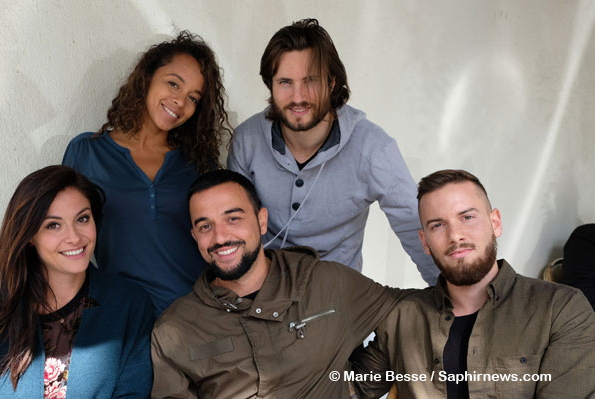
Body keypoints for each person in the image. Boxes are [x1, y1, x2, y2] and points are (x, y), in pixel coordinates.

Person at [0, 31, 231, 315]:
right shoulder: (88, 152)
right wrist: (5, 269)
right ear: (147, 77)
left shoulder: (197, 164)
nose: (180, 102)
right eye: (173, 84)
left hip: (197, 315)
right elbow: (49, 223)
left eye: (193, 98)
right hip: (122, 316)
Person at [150, 169, 412, 398]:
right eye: (206, 226)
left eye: (233, 218)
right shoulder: (175, 328)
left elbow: (411, 309)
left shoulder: (328, 283)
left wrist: (358, 387)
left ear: (261, 220)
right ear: (195, 236)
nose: (220, 237)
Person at [228, 18, 438, 285]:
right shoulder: (247, 139)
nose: (298, 96)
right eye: (285, 82)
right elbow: (233, 229)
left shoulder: (373, 148)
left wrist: (452, 303)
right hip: (262, 293)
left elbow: (415, 228)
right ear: (270, 85)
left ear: (332, 83)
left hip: (336, 299)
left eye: (310, 81)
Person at [351, 169, 595, 398]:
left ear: (495, 223)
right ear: (425, 242)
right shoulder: (402, 316)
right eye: (438, 225)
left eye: (467, 217)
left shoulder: (562, 309)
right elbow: (348, 388)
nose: (455, 235)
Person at [0, 165, 153, 398]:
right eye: (53, 225)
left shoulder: (128, 304)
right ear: (29, 235)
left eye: (82, 219)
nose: (74, 237)